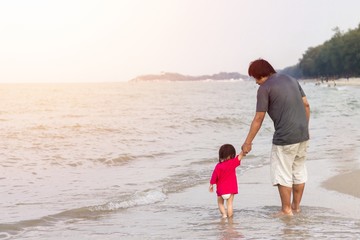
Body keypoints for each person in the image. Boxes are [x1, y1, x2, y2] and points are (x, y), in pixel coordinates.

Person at [241, 59, 310, 216]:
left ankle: (286, 210)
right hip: (303, 134)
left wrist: (247, 143)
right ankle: (296, 207)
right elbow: (306, 105)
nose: (256, 83)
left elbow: (259, 118)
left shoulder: (265, 88)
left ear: (259, 75)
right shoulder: (292, 80)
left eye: (255, 78)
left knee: (282, 172)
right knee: (298, 170)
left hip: (285, 138)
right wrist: (304, 127)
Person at [209, 144, 244, 218]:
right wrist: (244, 150)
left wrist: (211, 184)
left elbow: (214, 176)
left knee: (220, 203)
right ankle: (230, 217)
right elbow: (240, 156)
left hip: (221, 190)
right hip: (231, 189)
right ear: (231, 154)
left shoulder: (218, 166)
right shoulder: (232, 163)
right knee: (230, 204)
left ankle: (224, 214)